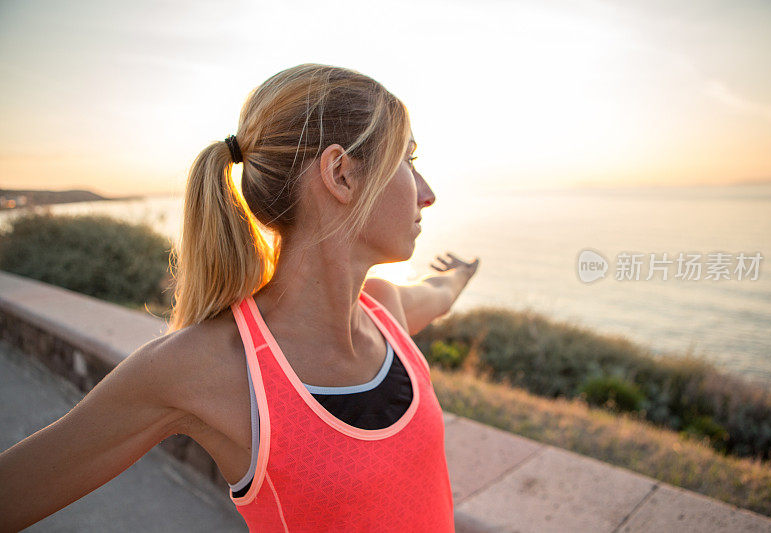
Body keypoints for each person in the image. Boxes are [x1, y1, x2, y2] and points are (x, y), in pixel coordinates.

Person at [0, 63, 479, 532]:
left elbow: (439, 291)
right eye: (408, 159)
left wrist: (460, 274)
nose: (427, 193)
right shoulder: (208, 366)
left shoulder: (385, 310)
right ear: (341, 174)